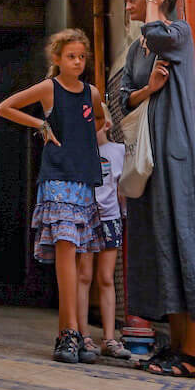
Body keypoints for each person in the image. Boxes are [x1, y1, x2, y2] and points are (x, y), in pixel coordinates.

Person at [121, 0, 195, 378]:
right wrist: (148, 88)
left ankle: (194, 357)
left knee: (186, 242)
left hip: (176, 155)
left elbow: (158, 31)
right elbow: (124, 99)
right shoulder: (135, 51)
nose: (127, 6)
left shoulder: (177, 33)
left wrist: (153, 2)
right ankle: (176, 348)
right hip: (149, 161)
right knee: (161, 248)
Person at [0, 28, 105, 364]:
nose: (77, 62)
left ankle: (74, 334)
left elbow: (99, 120)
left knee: (80, 258)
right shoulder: (49, 88)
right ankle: (68, 332)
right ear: (57, 59)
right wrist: (40, 125)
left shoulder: (93, 92)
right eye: (71, 56)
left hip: (84, 180)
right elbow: (5, 107)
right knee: (66, 250)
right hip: (57, 179)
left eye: (82, 57)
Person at [77, 105, 132, 361]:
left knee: (106, 278)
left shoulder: (118, 152)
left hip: (110, 220)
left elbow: (123, 187)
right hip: (86, 220)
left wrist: (123, 215)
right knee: (84, 275)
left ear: (107, 125)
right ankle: (83, 335)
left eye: (95, 120)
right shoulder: (80, 152)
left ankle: (110, 338)